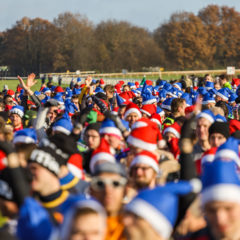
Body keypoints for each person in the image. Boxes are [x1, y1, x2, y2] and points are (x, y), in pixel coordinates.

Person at [90, 162, 127, 240]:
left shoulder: (136, 225)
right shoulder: (76, 225)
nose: (108, 190)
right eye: (99, 184)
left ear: (124, 190)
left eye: (116, 183)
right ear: (91, 190)